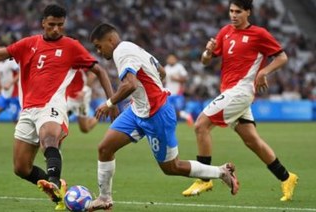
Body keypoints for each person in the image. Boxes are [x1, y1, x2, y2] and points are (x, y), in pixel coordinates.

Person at [0, 4, 117, 210]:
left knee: (49, 138)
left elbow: (99, 70)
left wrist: (112, 101)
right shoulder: (27, 44)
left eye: (60, 25)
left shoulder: (71, 46)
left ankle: (53, 180)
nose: (56, 29)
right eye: (52, 24)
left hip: (52, 105)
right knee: (21, 168)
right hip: (28, 110)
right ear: (43, 23)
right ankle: (61, 191)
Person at [86, 23, 239, 211]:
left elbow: (130, 85)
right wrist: (144, 96)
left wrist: (109, 104)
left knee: (171, 167)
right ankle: (104, 198)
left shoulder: (122, 52)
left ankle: (221, 172)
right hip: (137, 111)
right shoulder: (133, 47)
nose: (99, 51)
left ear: (110, 39)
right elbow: (162, 71)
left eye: (99, 46)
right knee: (105, 148)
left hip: (157, 114)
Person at [182, 0, 298, 202]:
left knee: (201, 125)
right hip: (230, 91)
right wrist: (208, 52)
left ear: (248, 13)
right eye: (231, 11)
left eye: (238, 12)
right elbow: (205, 62)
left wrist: (264, 71)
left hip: (241, 91)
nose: (233, 15)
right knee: (252, 141)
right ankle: (287, 178)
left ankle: (203, 178)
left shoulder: (259, 34)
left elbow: (282, 57)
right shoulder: (225, 31)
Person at [164, 54, 194, 127]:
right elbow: (163, 80)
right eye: (170, 59)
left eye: (172, 58)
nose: (171, 60)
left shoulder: (179, 67)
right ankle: (184, 117)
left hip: (177, 92)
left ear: (175, 59)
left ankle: (187, 116)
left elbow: (186, 78)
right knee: (167, 109)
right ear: (167, 60)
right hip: (168, 92)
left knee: (178, 109)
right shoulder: (165, 68)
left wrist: (176, 79)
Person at [66, 69, 98, 133]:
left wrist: (84, 91)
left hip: (82, 100)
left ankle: (99, 116)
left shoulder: (82, 60)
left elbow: (92, 75)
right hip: (68, 97)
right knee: (59, 121)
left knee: (85, 129)